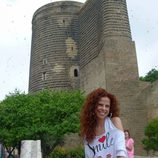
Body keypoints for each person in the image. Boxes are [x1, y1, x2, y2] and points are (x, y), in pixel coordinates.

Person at [80, 88, 127, 158]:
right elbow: (89, 155)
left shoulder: (115, 122)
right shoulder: (88, 131)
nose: (104, 108)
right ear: (93, 106)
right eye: (100, 105)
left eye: (107, 106)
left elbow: (121, 152)